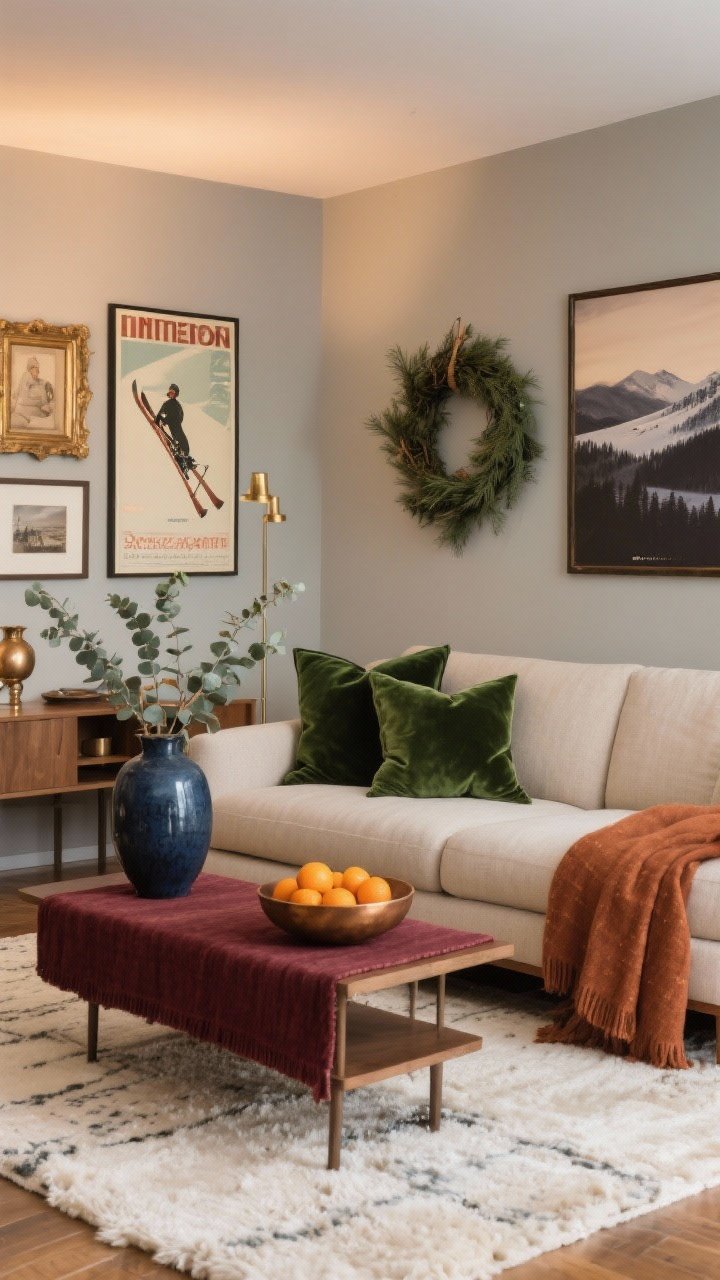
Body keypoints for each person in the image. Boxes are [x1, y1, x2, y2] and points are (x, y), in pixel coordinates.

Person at [155, 384, 195, 477]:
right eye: (170, 392)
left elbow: (181, 415)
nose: (171, 394)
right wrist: (161, 420)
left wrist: (175, 420)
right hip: (172, 425)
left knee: (184, 442)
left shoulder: (177, 405)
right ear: (169, 394)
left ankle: (185, 460)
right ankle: (183, 460)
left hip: (177, 425)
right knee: (178, 441)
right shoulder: (167, 404)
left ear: (176, 394)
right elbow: (161, 413)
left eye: (173, 392)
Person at [11, 356, 54, 430]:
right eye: (35, 368)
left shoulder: (39, 382)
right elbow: (23, 400)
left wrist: (46, 383)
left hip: (34, 408)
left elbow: (40, 383)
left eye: (38, 368)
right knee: (44, 414)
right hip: (24, 410)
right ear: (30, 369)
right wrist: (39, 402)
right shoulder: (26, 377)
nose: (38, 371)